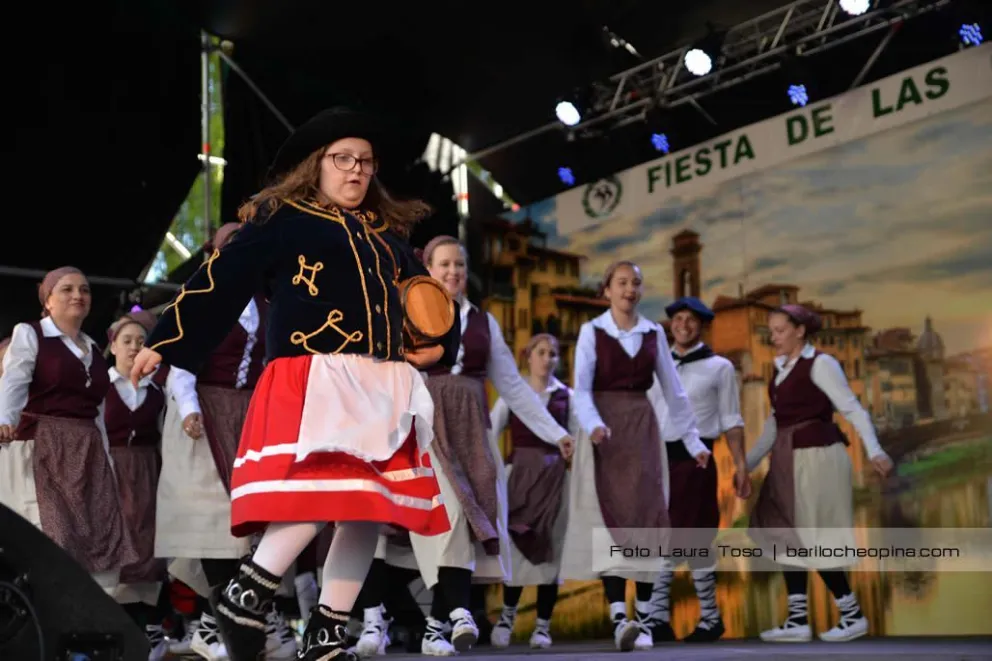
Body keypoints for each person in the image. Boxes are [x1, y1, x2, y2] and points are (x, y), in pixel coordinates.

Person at [131, 107, 456, 661]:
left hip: (382, 384)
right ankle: (246, 592)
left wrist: (426, 345)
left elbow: (418, 308)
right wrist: (164, 339)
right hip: (318, 377)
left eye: (365, 163)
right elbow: (221, 279)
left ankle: (326, 635)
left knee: (368, 511)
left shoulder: (386, 240)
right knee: (318, 494)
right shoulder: (284, 220)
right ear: (317, 165)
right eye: (343, 159)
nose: (356, 171)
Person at [402, 235, 573, 656]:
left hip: (472, 430)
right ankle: (458, 613)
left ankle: (435, 627)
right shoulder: (408, 311)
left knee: (472, 514)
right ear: (427, 268)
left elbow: (513, 388)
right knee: (452, 513)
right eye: (444, 264)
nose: (453, 272)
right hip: (428, 423)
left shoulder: (482, 321)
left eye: (459, 264)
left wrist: (557, 432)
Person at [560, 260, 708, 652]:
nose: (630, 289)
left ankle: (641, 618)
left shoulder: (653, 333)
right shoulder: (593, 332)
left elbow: (674, 393)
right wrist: (592, 425)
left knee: (645, 517)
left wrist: (694, 442)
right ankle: (617, 616)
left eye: (636, 283)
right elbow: (582, 389)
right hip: (604, 432)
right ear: (607, 290)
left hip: (641, 429)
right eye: (622, 282)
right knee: (606, 521)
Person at [740, 304, 893, 643]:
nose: (773, 337)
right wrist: (745, 466)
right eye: (772, 331)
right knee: (783, 533)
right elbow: (773, 425)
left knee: (813, 536)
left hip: (817, 458)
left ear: (800, 331)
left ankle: (851, 615)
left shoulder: (821, 364)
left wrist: (875, 450)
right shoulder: (780, 371)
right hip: (787, 458)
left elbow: (852, 408)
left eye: (780, 330)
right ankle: (797, 620)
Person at [0, 267, 137, 593]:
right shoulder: (30, 334)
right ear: (47, 300)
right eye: (67, 289)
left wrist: (106, 460)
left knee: (95, 535)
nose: (78, 295)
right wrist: (6, 418)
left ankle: (86, 624)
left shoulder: (92, 348)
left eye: (85, 290)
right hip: (45, 447)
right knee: (53, 535)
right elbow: (14, 380)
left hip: (88, 453)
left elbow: (98, 413)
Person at [648, 297, 748, 643]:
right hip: (658, 463)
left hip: (696, 462)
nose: (683, 325)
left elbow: (732, 422)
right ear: (671, 324)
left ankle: (676, 618)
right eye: (678, 318)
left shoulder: (720, 367)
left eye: (691, 320)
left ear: (702, 325)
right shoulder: (657, 366)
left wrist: (741, 467)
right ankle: (675, 618)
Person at [104, 310, 200, 660]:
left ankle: (152, 629)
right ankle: (117, 627)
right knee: (116, 549)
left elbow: (164, 434)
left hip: (148, 470)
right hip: (112, 470)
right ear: (112, 345)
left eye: (141, 342)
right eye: (126, 341)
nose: (133, 347)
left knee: (149, 548)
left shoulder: (158, 390)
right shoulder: (101, 386)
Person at [488, 333, 578, 650]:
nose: (548, 358)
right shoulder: (514, 395)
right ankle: (507, 618)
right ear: (529, 356)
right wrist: (496, 470)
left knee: (550, 551)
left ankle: (542, 626)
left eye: (553, 353)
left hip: (554, 481)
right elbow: (491, 430)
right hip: (520, 479)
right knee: (516, 548)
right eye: (542, 352)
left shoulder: (567, 396)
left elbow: (578, 439)